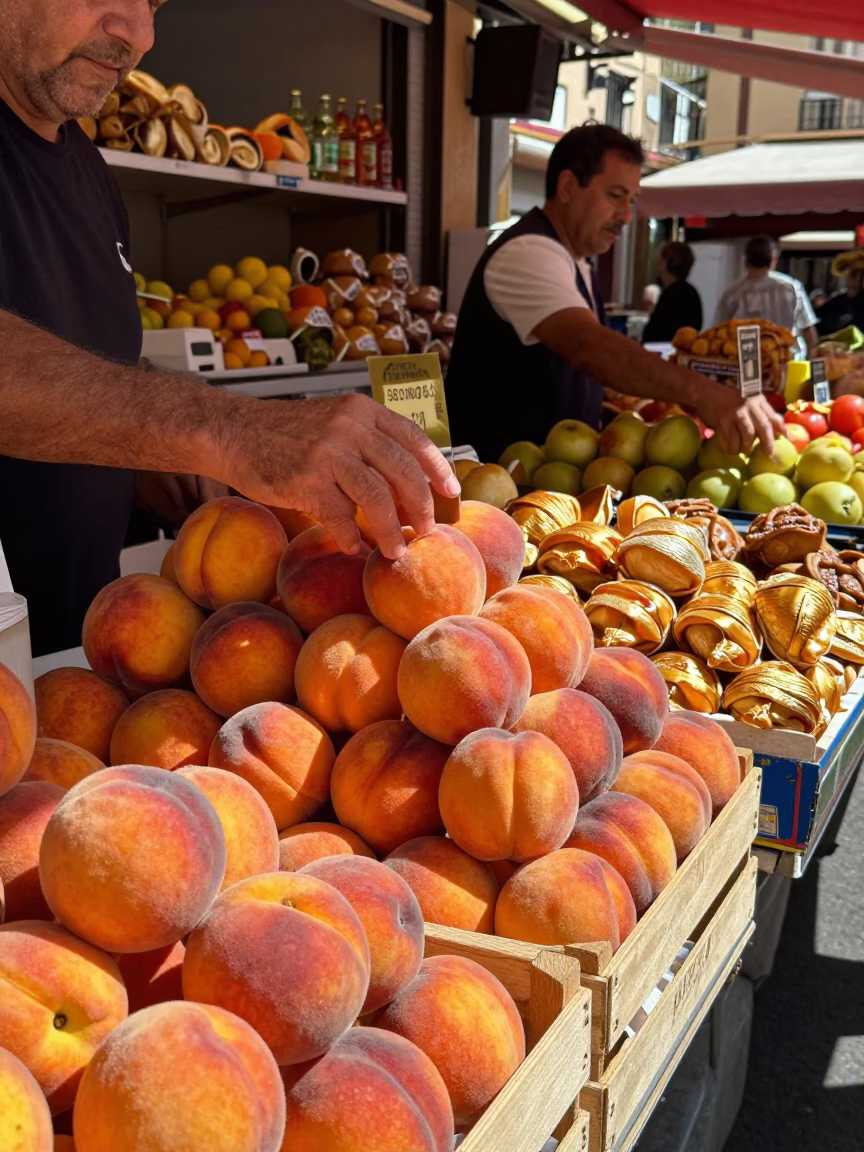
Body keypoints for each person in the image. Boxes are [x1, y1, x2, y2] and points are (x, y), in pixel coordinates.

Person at [0, 0, 458, 657]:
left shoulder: (87, 172)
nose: (140, 35)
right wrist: (230, 430)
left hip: (82, 654)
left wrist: (179, 472)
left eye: (154, 3)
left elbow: (90, 382)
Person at [445, 124, 781, 465]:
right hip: (497, 488)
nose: (626, 216)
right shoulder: (528, 251)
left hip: (548, 483)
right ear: (567, 187)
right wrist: (703, 393)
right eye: (615, 196)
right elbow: (587, 346)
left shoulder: (575, 260)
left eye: (632, 201)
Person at [715, 235, 817, 357]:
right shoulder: (791, 287)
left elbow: (719, 334)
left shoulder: (732, 293)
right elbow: (808, 332)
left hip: (744, 362)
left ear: (746, 259)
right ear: (773, 258)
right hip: (787, 361)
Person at [641, 241, 703, 345]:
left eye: (660, 258)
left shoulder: (673, 294)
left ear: (665, 263)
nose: (656, 262)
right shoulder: (689, 292)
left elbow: (657, 335)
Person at [817, 249, 864, 336]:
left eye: (862, 275)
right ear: (845, 275)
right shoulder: (833, 304)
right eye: (854, 274)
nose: (858, 279)